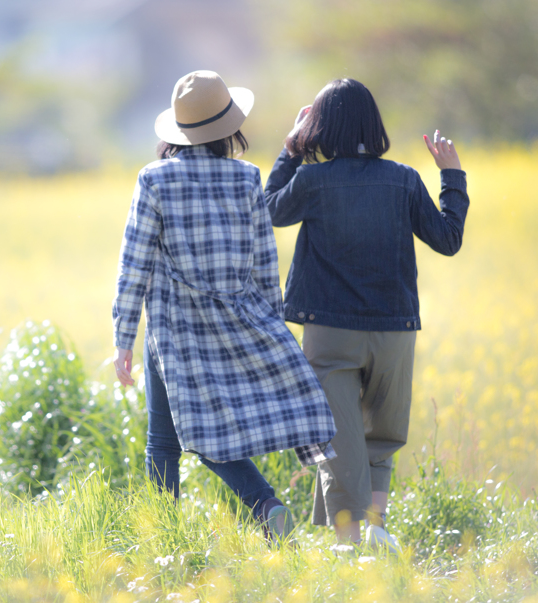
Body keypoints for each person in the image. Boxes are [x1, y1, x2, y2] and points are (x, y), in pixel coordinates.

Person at [111, 70, 337, 541]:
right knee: (207, 429)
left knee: (164, 441)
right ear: (229, 126)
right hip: (238, 321)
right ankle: (265, 505)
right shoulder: (247, 177)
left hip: (173, 329)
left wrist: (122, 338)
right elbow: (263, 260)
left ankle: (169, 535)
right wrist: (270, 329)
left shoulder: (154, 179)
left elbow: (134, 264)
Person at [264, 78, 469, 551]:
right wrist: (452, 177)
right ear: (373, 124)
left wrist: (291, 150)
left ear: (320, 127)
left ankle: (348, 543)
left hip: (328, 330)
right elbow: (448, 240)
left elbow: (269, 209)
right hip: (393, 329)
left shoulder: (312, 180)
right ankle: (374, 531)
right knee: (381, 435)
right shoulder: (402, 179)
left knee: (335, 440)